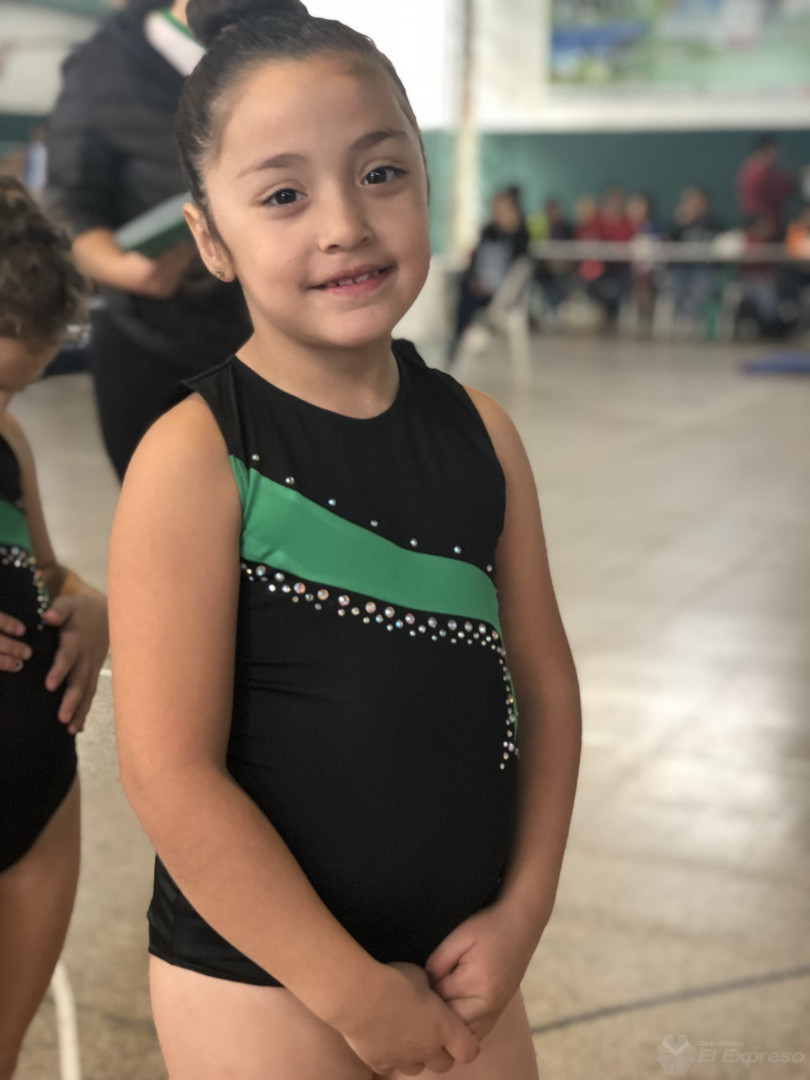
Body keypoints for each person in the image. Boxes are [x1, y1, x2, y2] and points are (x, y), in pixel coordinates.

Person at [109, 1, 581, 1078]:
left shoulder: (482, 434)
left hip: (466, 958)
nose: (345, 224)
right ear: (209, 239)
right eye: (284, 194)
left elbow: (546, 686)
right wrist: (352, 992)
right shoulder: (194, 459)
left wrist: (523, 911)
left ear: (427, 180)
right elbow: (170, 776)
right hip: (261, 982)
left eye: (381, 173)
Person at [46, 0, 252, 480]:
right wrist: (122, 268)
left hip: (274, 333)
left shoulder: (285, 43)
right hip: (153, 339)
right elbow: (70, 203)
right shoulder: (106, 63)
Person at [0, 177, 109, 1080]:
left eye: (13, 390)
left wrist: (89, 604)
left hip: (34, 802)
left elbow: (44, 569)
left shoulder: (8, 443)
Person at [448, 187, 530, 363]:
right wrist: (475, 280)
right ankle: (461, 339)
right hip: (480, 287)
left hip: (502, 295)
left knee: (465, 301)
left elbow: (518, 271)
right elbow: (475, 263)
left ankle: (462, 340)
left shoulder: (521, 235)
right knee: (461, 289)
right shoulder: (488, 231)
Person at [667, 185, 722, 329]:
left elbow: (722, 244)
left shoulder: (713, 224)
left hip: (704, 269)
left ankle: (692, 320)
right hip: (680, 268)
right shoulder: (679, 224)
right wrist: (680, 223)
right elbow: (668, 243)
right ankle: (684, 320)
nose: (694, 205)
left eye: (698, 202)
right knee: (674, 285)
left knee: (701, 286)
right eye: (690, 202)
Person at [736, 135, 795, 241]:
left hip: (770, 226)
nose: (776, 156)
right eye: (773, 151)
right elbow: (783, 188)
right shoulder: (758, 172)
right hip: (762, 226)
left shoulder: (752, 169)